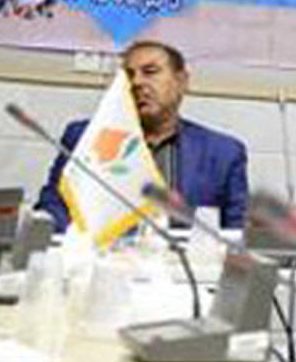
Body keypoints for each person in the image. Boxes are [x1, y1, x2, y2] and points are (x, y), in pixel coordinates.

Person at [35, 40, 249, 231]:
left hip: (184, 261)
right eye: (129, 75)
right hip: (99, 257)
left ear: (181, 81)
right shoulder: (85, 137)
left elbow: (236, 230)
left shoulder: (223, 153)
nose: (137, 82)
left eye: (150, 72)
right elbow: (53, 206)